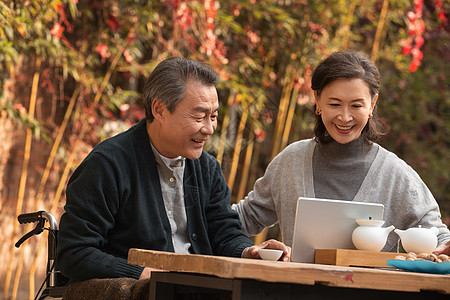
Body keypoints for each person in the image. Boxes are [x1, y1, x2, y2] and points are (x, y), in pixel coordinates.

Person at [57, 57, 290, 286]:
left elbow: (225, 233)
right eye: (199, 116)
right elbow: (74, 253)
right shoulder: (108, 165)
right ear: (159, 109)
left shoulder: (207, 169)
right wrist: (141, 274)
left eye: (214, 116)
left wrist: (249, 251)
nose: (209, 129)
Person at [232, 50, 450, 255]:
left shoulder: (395, 174)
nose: (345, 117)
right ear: (317, 101)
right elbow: (243, 217)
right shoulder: (291, 161)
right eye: (335, 104)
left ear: (372, 104)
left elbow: (436, 234)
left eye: (356, 106)